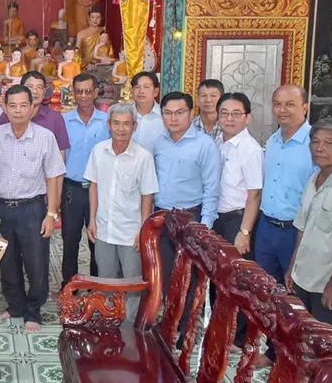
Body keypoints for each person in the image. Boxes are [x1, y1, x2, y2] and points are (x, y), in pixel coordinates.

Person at [0, 85, 66, 332]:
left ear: (33, 107)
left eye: (23, 105)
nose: (18, 110)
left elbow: (53, 177)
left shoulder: (45, 137)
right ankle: (15, 305)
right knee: (7, 261)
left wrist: (51, 214)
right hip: (2, 207)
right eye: (12, 105)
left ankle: (34, 310)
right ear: (5, 108)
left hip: (32, 208)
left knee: (36, 262)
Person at [255, 84, 316, 368]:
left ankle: (296, 355)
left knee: (296, 296)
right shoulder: (273, 141)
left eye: (290, 104)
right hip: (267, 228)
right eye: (277, 104)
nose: (282, 110)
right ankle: (273, 351)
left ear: (304, 107)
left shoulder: (315, 144)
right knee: (270, 293)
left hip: (297, 231)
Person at [153, 91, 220, 340]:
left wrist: (204, 227)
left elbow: (212, 188)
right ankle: (169, 323)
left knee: (189, 278)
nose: (173, 118)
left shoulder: (205, 145)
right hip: (162, 216)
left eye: (179, 112)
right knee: (166, 273)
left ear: (191, 113)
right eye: (168, 113)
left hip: (190, 216)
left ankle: (187, 330)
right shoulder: (158, 143)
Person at [85, 102, 158, 321]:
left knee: (132, 281)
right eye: (116, 123)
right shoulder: (99, 151)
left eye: (126, 124)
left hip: (130, 232)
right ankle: (108, 321)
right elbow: (93, 186)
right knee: (106, 279)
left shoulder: (143, 157)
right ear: (108, 125)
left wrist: (142, 230)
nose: (121, 129)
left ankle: (130, 326)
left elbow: (147, 196)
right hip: (104, 227)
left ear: (135, 126)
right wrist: (92, 219)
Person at [286, 118, 332, 340]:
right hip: (305, 278)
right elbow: (302, 230)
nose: (319, 148)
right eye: (315, 142)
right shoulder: (314, 179)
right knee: (305, 341)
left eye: (328, 143)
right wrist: (293, 267)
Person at [212, 92, 263, 348]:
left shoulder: (250, 149)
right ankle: (220, 328)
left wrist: (244, 232)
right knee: (219, 277)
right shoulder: (218, 142)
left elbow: (255, 194)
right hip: (218, 218)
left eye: (236, 114)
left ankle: (239, 336)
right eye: (224, 113)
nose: (229, 119)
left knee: (239, 280)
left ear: (247, 117)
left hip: (238, 220)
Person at [61, 74, 109, 285]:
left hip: (98, 190)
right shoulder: (64, 121)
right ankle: (69, 287)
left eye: (88, 91)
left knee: (96, 242)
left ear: (96, 92)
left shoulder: (106, 122)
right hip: (71, 190)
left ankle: (95, 286)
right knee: (70, 241)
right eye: (79, 91)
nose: (83, 96)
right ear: (73, 93)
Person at [0, 71, 71, 158]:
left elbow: (60, 152)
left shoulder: (55, 118)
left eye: (39, 87)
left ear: (44, 91)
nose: (35, 91)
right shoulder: (8, 116)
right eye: (30, 86)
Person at [131, 71, 166, 152]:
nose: (141, 91)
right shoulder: (124, 114)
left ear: (156, 92)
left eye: (146, 87)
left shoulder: (165, 115)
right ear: (132, 91)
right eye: (137, 87)